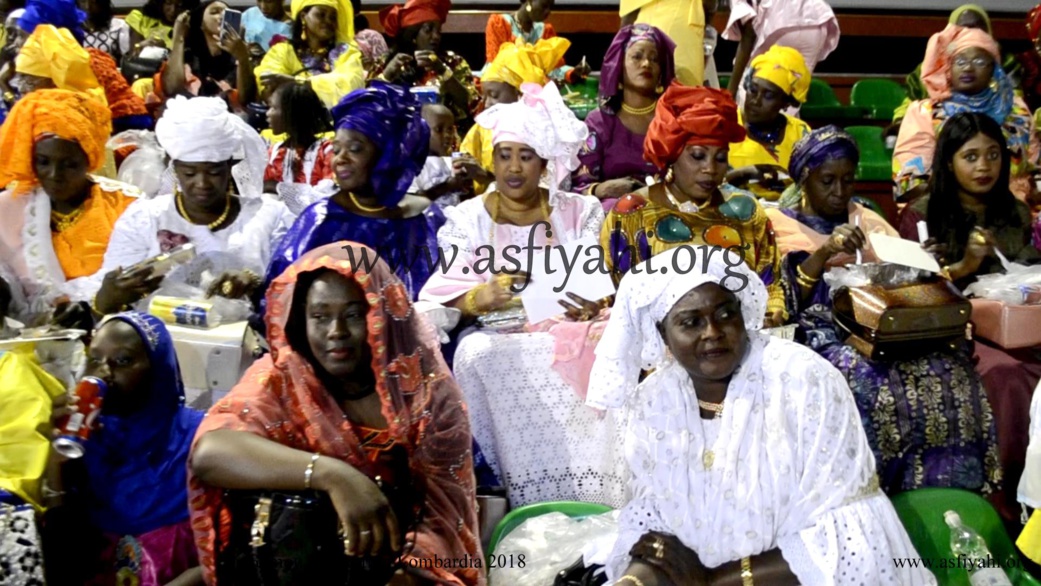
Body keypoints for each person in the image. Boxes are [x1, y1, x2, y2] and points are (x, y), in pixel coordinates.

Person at [584, 245, 934, 585]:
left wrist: (713, 579)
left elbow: (849, 534)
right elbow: (653, 527)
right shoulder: (654, 401)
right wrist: (633, 581)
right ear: (662, 334)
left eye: (725, 314)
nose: (713, 332)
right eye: (691, 322)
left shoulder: (803, 379)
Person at [188, 242, 483, 586]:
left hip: (394, 568)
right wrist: (334, 476)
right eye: (320, 316)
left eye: (354, 314)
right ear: (302, 319)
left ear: (384, 314)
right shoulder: (283, 378)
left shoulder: (425, 391)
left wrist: (405, 574)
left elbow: (445, 515)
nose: (336, 332)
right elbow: (211, 453)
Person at [419, 81, 625, 507]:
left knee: (612, 345)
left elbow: (589, 277)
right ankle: (503, 485)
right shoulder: (466, 218)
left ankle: (599, 485)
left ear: (544, 163)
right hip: (499, 338)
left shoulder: (577, 210)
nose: (514, 168)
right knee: (475, 353)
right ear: (491, 159)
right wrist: (479, 296)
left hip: (571, 330)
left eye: (526, 156)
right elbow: (440, 297)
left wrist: (592, 301)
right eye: (504, 155)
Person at [768, 126, 1002, 496]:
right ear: (804, 178)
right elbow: (783, 300)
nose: (840, 191)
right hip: (824, 330)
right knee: (867, 378)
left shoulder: (869, 219)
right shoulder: (777, 225)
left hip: (886, 324)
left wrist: (930, 263)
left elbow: (912, 284)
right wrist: (826, 251)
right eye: (827, 180)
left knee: (950, 371)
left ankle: (950, 492)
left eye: (848, 180)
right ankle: (871, 494)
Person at [898, 112, 1041, 521]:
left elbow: (1027, 274)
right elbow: (916, 291)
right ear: (947, 162)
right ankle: (1009, 499)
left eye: (993, 155)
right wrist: (964, 265)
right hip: (949, 330)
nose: (984, 167)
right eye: (971, 156)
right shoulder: (922, 215)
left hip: (1018, 325)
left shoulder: (1014, 211)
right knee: (1007, 375)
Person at [603, 84, 788, 327]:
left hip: (740, 340)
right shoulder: (634, 212)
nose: (710, 169)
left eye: (720, 158)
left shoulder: (746, 212)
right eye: (698, 156)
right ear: (672, 152)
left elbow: (770, 286)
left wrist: (773, 313)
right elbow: (617, 294)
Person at [42, 312, 204, 586]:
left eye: (123, 361)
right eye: (94, 359)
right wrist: (55, 463)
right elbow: (62, 555)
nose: (104, 372)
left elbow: (225, 548)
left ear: (157, 368)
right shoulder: (87, 435)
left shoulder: (199, 437)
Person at [93, 95, 295, 315]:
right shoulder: (144, 219)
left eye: (214, 172)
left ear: (230, 167)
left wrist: (255, 282)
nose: (202, 183)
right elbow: (108, 304)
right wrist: (110, 295)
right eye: (189, 173)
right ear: (173, 167)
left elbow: (294, 289)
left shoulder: (268, 217)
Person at [265, 82, 444, 300]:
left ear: (387, 155)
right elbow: (279, 296)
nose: (340, 159)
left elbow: (446, 290)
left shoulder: (426, 218)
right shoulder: (322, 220)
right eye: (337, 149)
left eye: (355, 149)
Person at [0, 89, 138, 327]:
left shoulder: (126, 205)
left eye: (69, 165)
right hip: (31, 338)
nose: (54, 175)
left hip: (114, 333)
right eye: (43, 162)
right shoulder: (8, 210)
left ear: (90, 159)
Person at [893, 24, 1038, 203]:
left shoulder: (1016, 109)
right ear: (948, 68)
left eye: (978, 61)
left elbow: (1034, 165)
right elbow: (909, 182)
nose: (968, 68)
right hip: (946, 209)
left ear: (994, 69)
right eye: (960, 62)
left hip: (1015, 210)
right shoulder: (926, 112)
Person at [572, 24, 675, 209]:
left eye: (654, 59)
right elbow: (579, 186)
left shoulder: (673, 120)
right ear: (619, 67)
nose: (646, 64)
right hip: (611, 216)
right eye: (637, 56)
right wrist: (602, 189)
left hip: (666, 212)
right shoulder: (600, 122)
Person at [456, 36, 570, 194]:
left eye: (494, 95)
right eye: (484, 96)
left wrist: (486, 177)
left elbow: (542, 191)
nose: (487, 103)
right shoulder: (482, 128)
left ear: (519, 92)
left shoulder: (543, 131)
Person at [15, 23, 152, 133]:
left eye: (27, 78)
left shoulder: (82, 105)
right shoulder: (36, 103)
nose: (20, 85)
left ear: (52, 79)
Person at [725, 44, 812, 202]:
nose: (755, 101)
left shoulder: (800, 132)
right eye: (753, 89)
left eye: (768, 95)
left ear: (786, 103)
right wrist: (745, 173)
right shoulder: (724, 124)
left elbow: (810, 185)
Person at [372, 0, 479, 125]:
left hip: (444, 139)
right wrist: (387, 75)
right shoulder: (387, 62)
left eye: (438, 31)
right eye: (428, 30)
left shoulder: (452, 62)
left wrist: (442, 70)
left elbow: (471, 104)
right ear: (413, 35)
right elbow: (367, 105)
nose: (436, 36)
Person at [723, 0, 839, 104]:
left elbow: (749, 35)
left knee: (753, 93)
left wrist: (730, 93)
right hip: (817, 19)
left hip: (779, 22)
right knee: (791, 97)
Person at [254, 0, 364, 108]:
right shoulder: (282, 51)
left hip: (339, 123)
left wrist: (295, 82)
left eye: (333, 17)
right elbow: (271, 92)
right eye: (321, 14)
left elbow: (351, 85)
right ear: (303, 16)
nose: (328, 21)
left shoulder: (346, 52)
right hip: (291, 123)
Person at [160, 0, 256, 105]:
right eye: (215, 12)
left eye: (226, 13)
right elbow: (172, 89)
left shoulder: (241, 54)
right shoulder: (188, 55)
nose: (222, 16)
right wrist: (178, 38)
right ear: (201, 24)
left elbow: (246, 99)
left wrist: (242, 58)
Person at [263, 81, 334, 199]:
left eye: (273, 107)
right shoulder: (275, 152)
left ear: (292, 114)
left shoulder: (327, 151)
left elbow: (325, 196)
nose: (268, 113)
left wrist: (278, 187)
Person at [409, 102, 471, 208]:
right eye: (439, 129)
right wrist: (446, 186)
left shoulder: (450, 162)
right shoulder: (411, 166)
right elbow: (411, 203)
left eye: (450, 129)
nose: (447, 135)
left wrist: (466, 180)